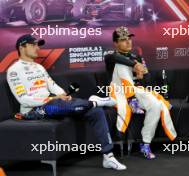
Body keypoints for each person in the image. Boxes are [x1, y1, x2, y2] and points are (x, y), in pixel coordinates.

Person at [7, 34, 126, 170]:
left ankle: (108, 157)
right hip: (33, 111)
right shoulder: (14, 71)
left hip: (52, 103)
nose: (37, 48)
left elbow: (52, 86)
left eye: (37, 45)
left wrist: (63, 95)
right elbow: (23, 99)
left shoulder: (39, 68)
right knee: (55, 106)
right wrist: (52, 98)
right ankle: (94, 102)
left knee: (96, 112)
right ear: (22, 47)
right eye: (33, 45)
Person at [104, 26, 177, 159]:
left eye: (129, 39)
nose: (128, 42)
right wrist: (134, 65)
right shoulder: (110, 57)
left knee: (156, 105)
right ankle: (131, 100)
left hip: (136, 90)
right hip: (119, 91)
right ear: (115, 43)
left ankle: (145, 144)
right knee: (122, 66)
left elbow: (147, 81)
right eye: (123, 40)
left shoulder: (136, 56)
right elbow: (118, 59)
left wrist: (143, 74)